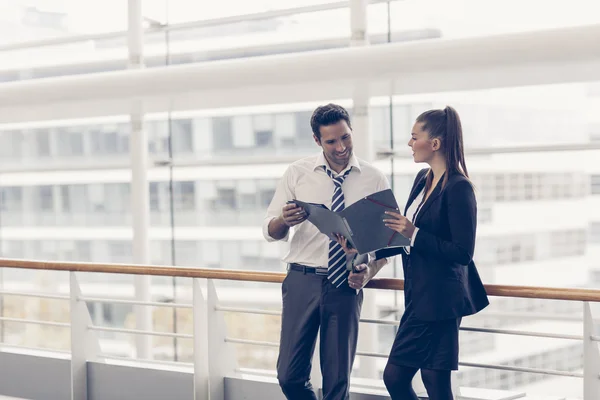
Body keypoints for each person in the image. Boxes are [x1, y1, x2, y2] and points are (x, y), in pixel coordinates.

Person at [337, 106, 489, 400]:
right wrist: (364, 247)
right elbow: (403, 236)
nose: (408, 144)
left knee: (397, 377)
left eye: (414, 136)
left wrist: (414, 233)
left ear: (434, 144)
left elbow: (462, 252)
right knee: (434, 381)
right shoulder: (423, 178)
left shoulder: (459, 188)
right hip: (420, 295)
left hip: (441, 300)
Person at [262, 103, 391, 400]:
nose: (341, 147)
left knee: (337, 384)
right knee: (289, 376)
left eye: (345, 137)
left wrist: (368, 273)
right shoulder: (298, 173)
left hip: (345, 285)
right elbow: (270, 231)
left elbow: (386, 245)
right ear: (317, 140)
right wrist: (284, 220)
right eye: (331, 141)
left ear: (351, 131)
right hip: (301, 282)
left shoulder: (374, 179)